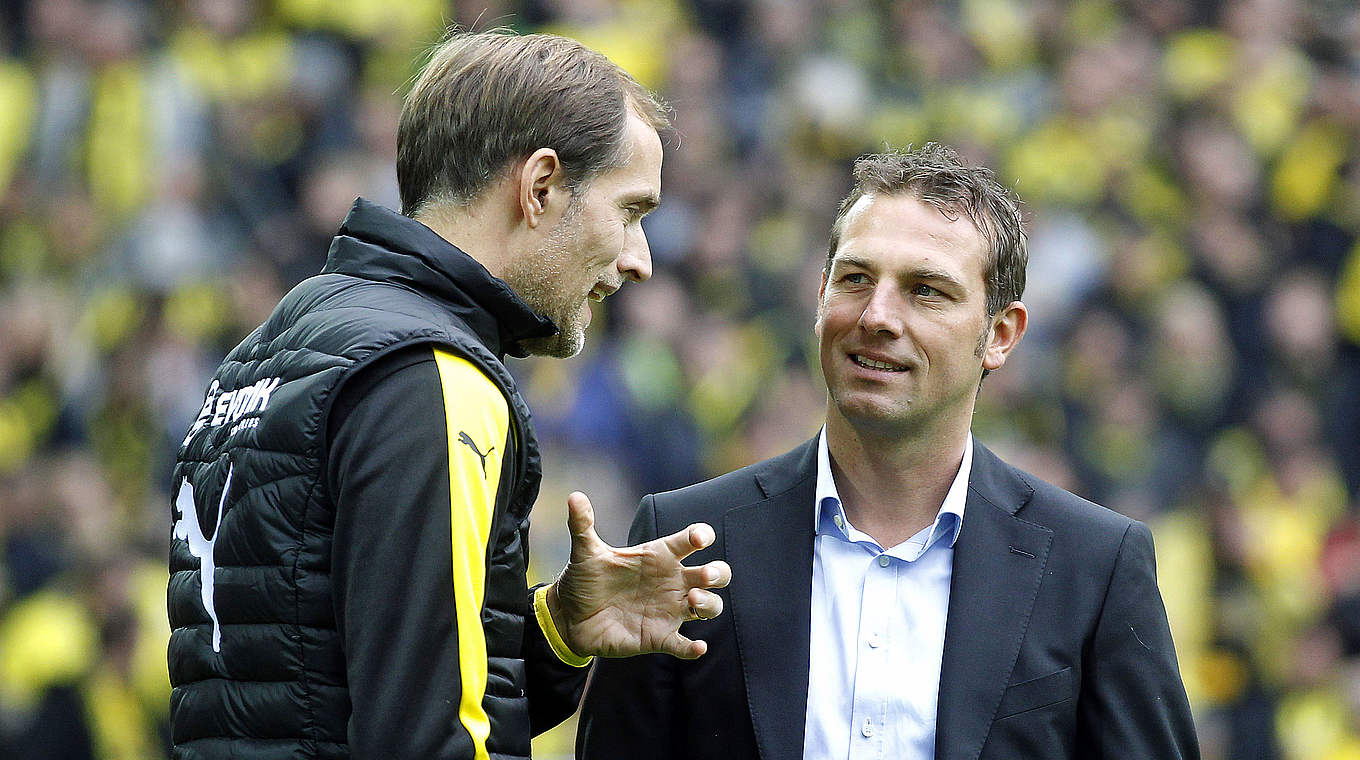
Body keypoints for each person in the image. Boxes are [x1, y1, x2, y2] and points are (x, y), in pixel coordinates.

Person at [166, 30, 731, 760]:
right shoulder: (432, 376)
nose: (639, 260)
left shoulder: (272, 349)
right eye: (630, 211)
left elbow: (319, 680)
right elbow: (422, 735)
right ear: (541, 187)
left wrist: (555, 629)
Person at [577, 144, 1200, 760]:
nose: (877, 315)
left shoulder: (1094, 566)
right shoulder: (690, 541)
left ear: (1000, 335)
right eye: (855, 279)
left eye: (926, 291)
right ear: (821, 297)